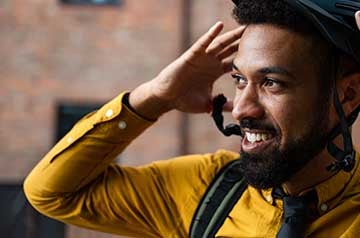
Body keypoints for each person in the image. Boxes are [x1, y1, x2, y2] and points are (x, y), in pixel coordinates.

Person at [24, 1, 360, 238]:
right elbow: (52, 193)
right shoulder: (207, 188)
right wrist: (154, 97)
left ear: (347, 96)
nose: (243, 109)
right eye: (239, 80)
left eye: (272, 83)